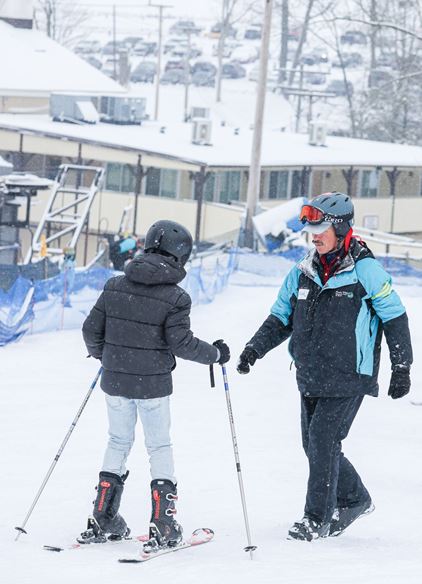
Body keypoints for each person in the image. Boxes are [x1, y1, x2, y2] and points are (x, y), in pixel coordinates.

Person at [237, 192, 413, 541]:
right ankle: (354, 498)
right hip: (311, 373)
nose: (314, 235)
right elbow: (280, 316)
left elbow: (395, 316)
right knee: (316, 445)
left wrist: (401, 366)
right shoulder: (303, 270)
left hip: (350, 373)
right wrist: (253, 349)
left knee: (322, 440)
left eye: (321, 228)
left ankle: (315, 518)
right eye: (311, 229)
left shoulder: (366, 270)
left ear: (341, 226)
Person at [80, 220, 230, 548]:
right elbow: (181, 343)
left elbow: (90, 330)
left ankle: (103, 516)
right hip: (152, 387)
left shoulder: (115, 285)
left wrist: (104, 355)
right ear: (180, 256)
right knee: (158, 446)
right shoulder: (176, 297)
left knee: (118, 441)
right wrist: (216, 354)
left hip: (116, 381)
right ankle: (163, 522)